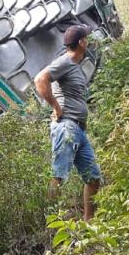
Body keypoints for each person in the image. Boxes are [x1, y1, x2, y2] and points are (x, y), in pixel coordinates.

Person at [34, 24, 102, 221]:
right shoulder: (64, 62)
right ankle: (50, 223)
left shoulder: (74, 66)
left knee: (93, 178)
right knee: (59, 176)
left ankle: (89, 222)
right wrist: (56, 106)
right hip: (67, 127)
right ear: (81, 42)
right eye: (86, 39)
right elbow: (40, 79)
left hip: (78, 130)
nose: (88, 42)